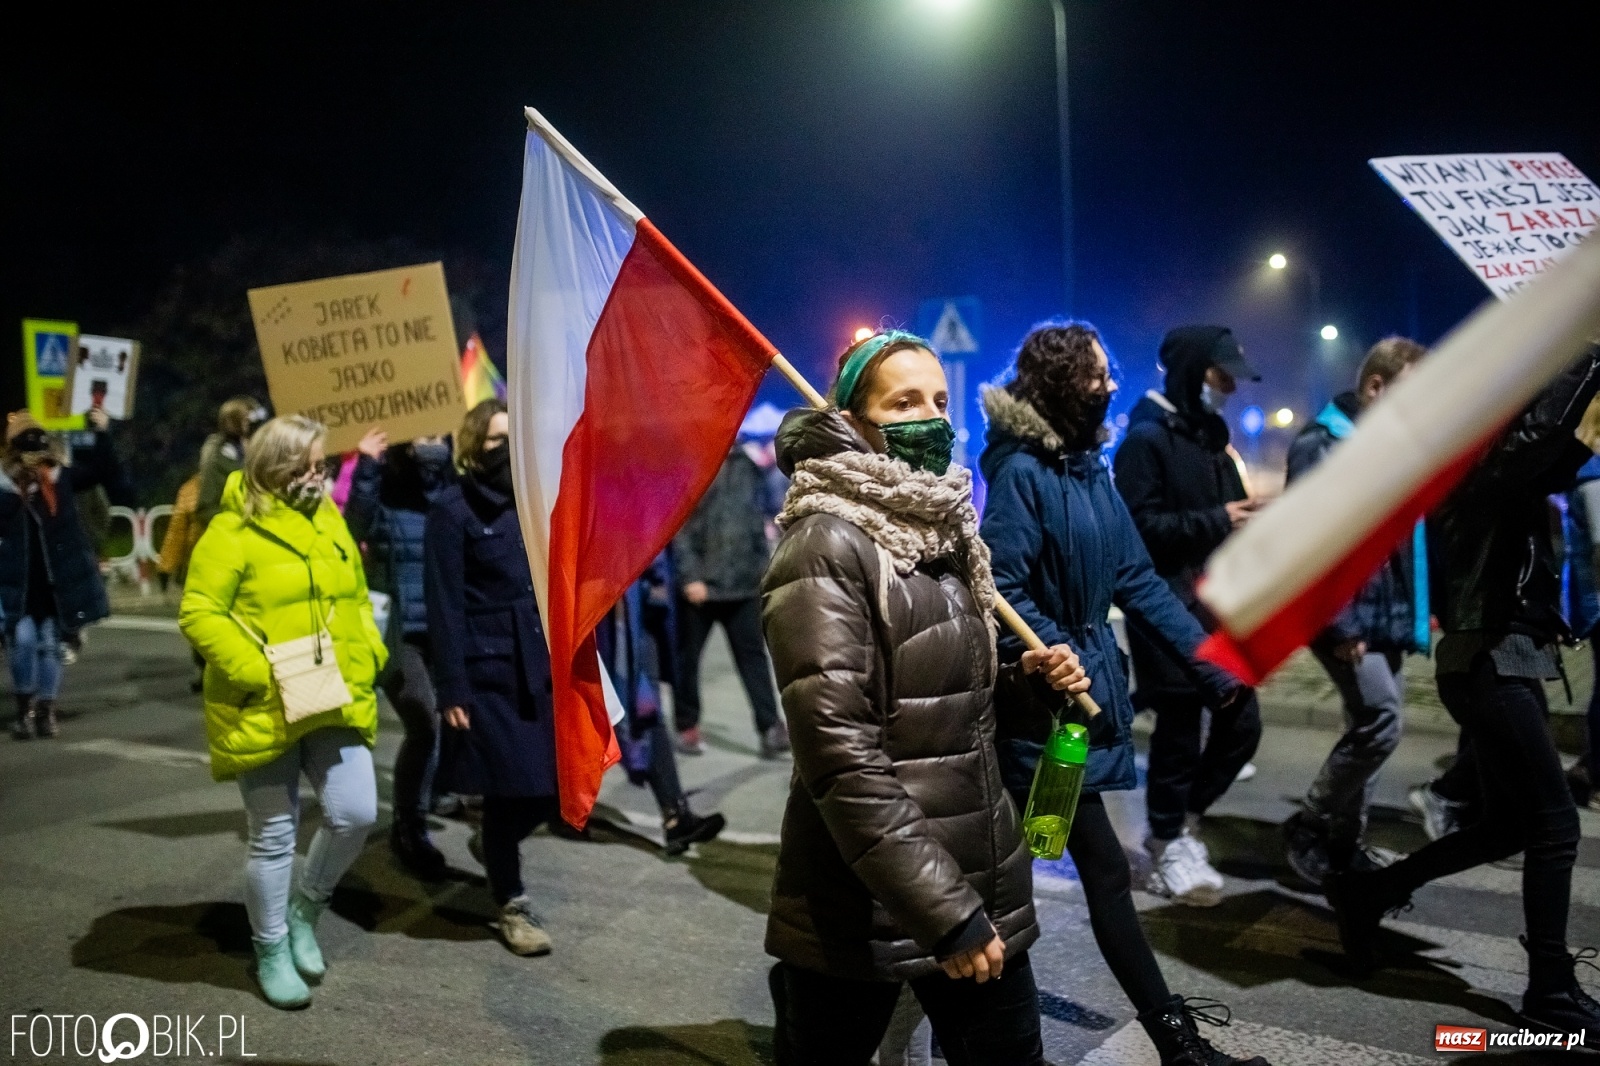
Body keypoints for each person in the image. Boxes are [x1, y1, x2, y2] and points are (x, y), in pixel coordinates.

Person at [761, 330, 1086, 1066]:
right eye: (904, 402)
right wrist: (946, 916)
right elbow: (841, 757)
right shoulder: (825, 545)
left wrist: (1026, 688)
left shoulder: (942, 532)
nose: (931, 418)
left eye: (940, 400)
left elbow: (950, 711)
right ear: (856, 422)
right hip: (867, 904)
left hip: (977, 871)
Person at [981, 324, 1271, 1066]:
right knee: (1030, 882)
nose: (1110, 384)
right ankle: (1165, 1042)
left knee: (1051, 876)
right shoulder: (1020, 474)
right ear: (1060, 385)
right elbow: (1004, 590)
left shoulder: (1087, 470)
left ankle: (1173, 1042)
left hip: (1069, 716)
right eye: (1096, 376)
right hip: (1038, 711)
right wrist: (1061, 652)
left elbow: (1136, 578)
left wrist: (1210, 668)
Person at [1326, 346, 1600, 1041]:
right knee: (1555, 821)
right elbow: (1540, 441)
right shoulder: (1472, 459)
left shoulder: (1496, 456)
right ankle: (1549, 990)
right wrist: (1591, 355)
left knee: (1513, 823)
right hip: (1487, 659)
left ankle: (1370, 892)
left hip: (1505, 655)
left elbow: (1562, 450)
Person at [179, 415, 386, 1010]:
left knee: (355, 812)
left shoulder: (328, 519)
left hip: (330, 691)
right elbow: (199, 612)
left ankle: (305, 910)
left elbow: (353, 594)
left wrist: (368, 652)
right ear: (275, 466)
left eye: (322, 467)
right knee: (273, 837)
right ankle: (270, 948)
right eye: (308, 466)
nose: (318, 478)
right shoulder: (230, 529)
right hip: (264, 700)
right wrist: (253, 670)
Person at [1113, 324, 1265, 905]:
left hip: (1216, 606)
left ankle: (1183, 823)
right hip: (1165, 607)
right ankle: (1166, 841)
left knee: (1242, 726)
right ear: (1190, 371)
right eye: (1219, 374)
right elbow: (1140, 529)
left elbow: (1226, 516)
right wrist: (1221, 519)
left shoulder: (1208, 437)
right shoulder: (1145, 441)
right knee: (1178, 730)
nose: (1229, 386)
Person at [1281, 337, 1431, 887]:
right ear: (1375, 387)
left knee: (1367, 724)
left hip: (1382, 614)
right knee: (1381, 720)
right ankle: (1312, 824)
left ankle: (1345, 847)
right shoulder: (1324, 444)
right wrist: (1340, 622)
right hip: (1349, 616)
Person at [425, 399, 557, 958]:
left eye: (513, 438)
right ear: (474, 447)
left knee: (550, 791)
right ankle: (512, 903)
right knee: (509, 790)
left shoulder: (534, 502)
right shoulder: (451, 512)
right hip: (488, 673)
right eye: (495, 440)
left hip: (540, 667)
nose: (505, 450)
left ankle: (492, 843)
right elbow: (444, 605)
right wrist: (452, 686)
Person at [345, 426, 455, 879]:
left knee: (448, 722)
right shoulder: (381, 489)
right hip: (397, 632)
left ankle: (432, 795)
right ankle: (408, 827)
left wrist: (437, 460)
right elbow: (354, 525)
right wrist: (368, 463)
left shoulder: (445, 488)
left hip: (443, 628)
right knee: (424, 722)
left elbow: (457, 516)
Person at [1, 410, 122, 739]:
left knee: (50, 645)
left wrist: (100, 432)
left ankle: (45, 711)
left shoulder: (60, 479)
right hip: (19, 585)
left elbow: (103, 471)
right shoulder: (6, 487)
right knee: (23, 642)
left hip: (56, 584)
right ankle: (24, 708)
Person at [596, 553, 727, 855]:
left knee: (646, 712)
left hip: (637, 613)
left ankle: (675, 814)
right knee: (624, 714)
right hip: (611, 616)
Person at [671, 434, 789, 759]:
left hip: (743, 584)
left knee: (753, 659)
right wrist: (690, 577)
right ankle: (687, 725)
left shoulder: (747, 466)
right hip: (701, 589)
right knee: (687, 661)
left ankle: (770, 728)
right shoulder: (689, 468)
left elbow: (761, 517)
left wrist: (764, 569)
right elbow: (676, 527)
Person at [196, 396, 268, 528]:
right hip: (237, 527)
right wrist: (241, 524)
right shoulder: (217, 456)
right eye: (248, 422)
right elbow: (207, 507)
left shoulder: (259, 447)